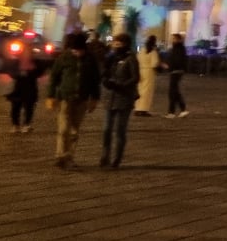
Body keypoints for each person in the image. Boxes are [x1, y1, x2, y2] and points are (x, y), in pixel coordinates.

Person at [46, 31, 101, 169]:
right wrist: (51, 96)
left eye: (79, 50)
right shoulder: (64, 58)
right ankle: (60, 156)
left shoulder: (90, 59)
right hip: (65, 98)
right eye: (74, 50)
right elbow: (54, 78)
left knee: (74, 130)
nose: (77, 53)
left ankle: (69, 157)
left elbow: (95, 80)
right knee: (63, 128)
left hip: (82, 99)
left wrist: (94, 98)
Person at [100, 33, 140, 170]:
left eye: (119, 43)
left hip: (124, 98)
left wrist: (120, 85)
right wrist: (105, 80)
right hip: (109, 98)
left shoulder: (130, 58)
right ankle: (105, 156)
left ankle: (117, 159)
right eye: (115, 43)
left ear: (125, 44)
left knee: (120, 130)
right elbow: (104, 73)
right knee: (106, 129)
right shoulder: (110, 58)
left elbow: (135, 78)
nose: (116, 46)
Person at [8, 38, 40, 132]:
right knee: (21, 106)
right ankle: (21, 125)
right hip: (24, 84)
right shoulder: (20, 56)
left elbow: (11, 69)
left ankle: (19, 125)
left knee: (24, 106)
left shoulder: (32, 56)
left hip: (27, 84)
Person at [134, 35, 160, 117]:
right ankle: (143, 109)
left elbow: (136, 60)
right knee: (147, 91)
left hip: (140, 71)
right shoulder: (153, 52)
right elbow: (154, 64)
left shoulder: (141, 51)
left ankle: (137, 108)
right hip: (149, 72)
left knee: (140, 90)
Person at [164, 33, 189, 118]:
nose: (172, 40)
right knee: (175, 91)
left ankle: (173, 112)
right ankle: (181, 110)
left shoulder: (179, 48)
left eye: (174, 39)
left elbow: (177, 60)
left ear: (178, 40)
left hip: (176, 71)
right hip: (175, 71)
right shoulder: (177, 48)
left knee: (172, 92)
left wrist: (169, 66)